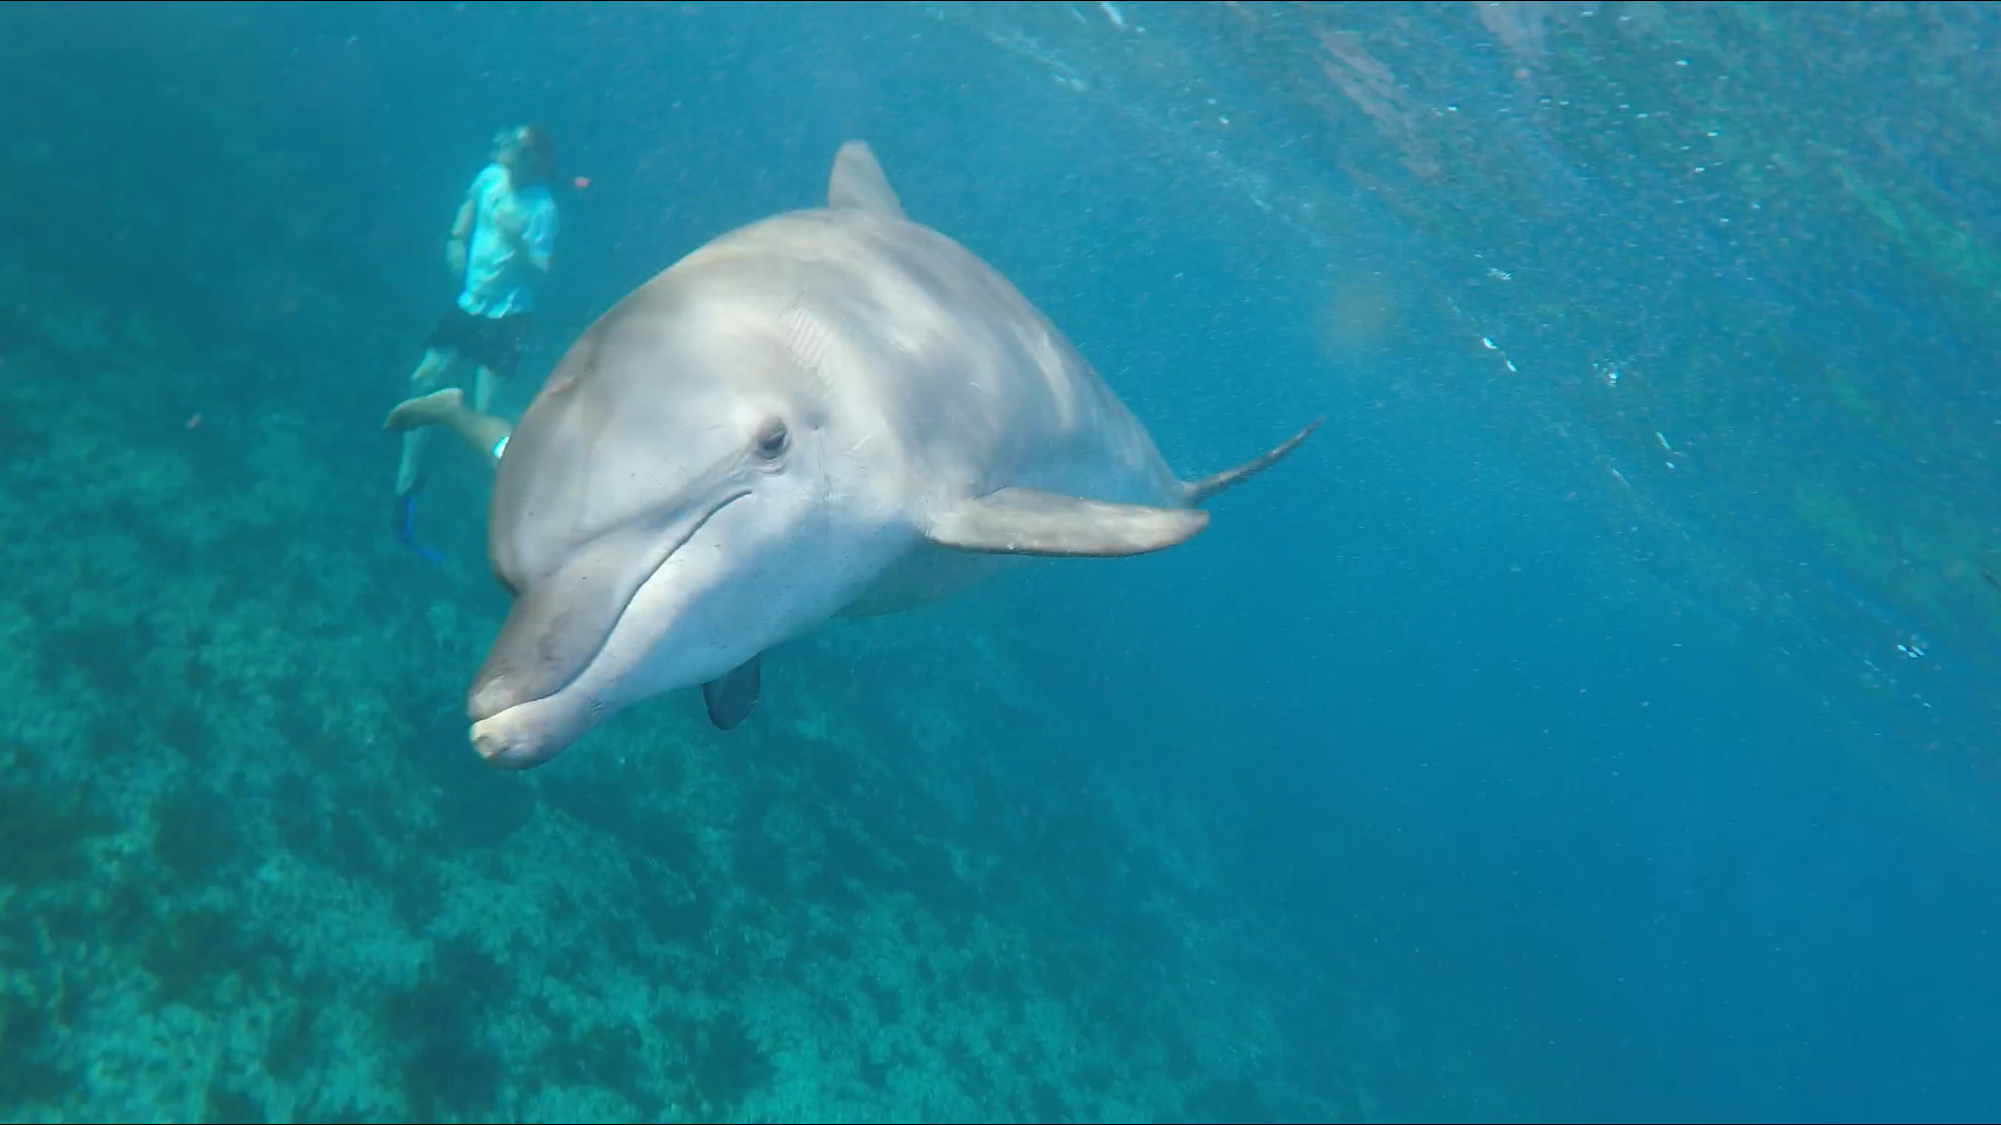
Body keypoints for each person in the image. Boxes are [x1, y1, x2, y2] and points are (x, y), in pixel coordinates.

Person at [392, 124, 559, 552]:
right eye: (507, 142)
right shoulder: (489, 177)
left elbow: (542, 271)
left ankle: (501, 503)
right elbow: (469, 205)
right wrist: (455, 238)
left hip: (507, 319)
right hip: (470, 304)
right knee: (422, 380)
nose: (504, 147)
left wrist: (514, 238)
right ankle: (409, 485)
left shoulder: (542, 209)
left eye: (516, 145)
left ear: (533, 159)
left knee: (483, 416)